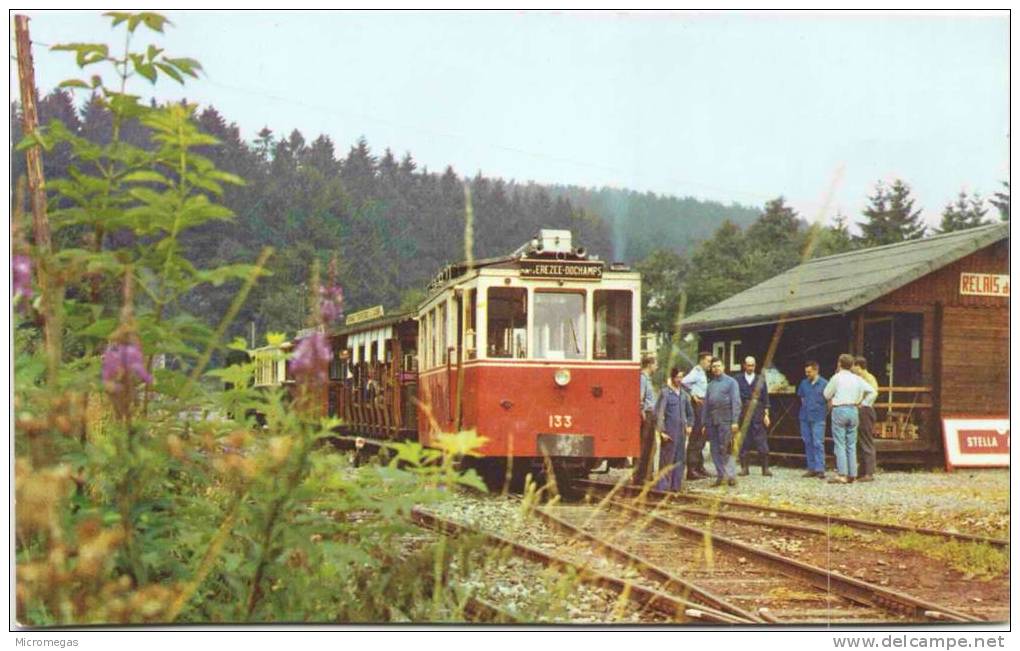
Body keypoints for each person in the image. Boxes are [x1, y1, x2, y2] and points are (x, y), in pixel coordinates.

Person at [823, 353, 878, 484]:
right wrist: (864, 403)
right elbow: (873, 391)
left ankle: (842, 474)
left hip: (840, 409)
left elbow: (826, 394)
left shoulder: (837, 378)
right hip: (854, 410)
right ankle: (852, 473)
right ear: (851, 365)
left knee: (840, 443)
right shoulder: (857, 379)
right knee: (851, 443)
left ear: (839, 364)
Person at [700, 357, 742, 487]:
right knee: (714, 449)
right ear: (711, 369)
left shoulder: (731, 382)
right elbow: (706, 405)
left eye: (718, 366)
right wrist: (704, 423)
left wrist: (734, 421)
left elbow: (736, 402)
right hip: (713, 421)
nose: (716, 368)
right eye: (714, 367)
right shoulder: (710, 385)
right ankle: (720, 476)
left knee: (726, 449)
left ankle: (730, 476)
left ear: (723, 367)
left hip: (726, 420)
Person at [655, 366, 694, 492]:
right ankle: (662, 488)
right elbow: (659, 414)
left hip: (682, 433)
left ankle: (676, 487)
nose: (679, 380)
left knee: (680, 460)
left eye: (681, 377)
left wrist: (689, 426)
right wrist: (662, 432)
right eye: (677, 377)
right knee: (666, 460)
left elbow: (690, 413)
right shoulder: (665, 393)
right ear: (672, 378)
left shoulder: (684, 394)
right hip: (669, 432)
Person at [736, 356, 772, 477]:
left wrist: (766, 414)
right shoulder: (738, 379)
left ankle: (765, 468)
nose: (751, 367)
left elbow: (766, 398)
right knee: (744, 441)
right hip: (743, 412)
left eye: (753, 365)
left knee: (761, 440)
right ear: (744, 365)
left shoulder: (760, 379)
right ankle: (744, 468)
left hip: (758, 412)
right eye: (748, 365)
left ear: (755, 366)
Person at [681, 352, 712, 480]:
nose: (710, 364)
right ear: (702, 361)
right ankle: (691, 470)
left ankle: (699, 467)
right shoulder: (696, 371)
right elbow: (683, 382)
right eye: (708, 361)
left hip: (703, 404)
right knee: (696, 436)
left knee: (702, 437)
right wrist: (693, 394)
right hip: (698, 405)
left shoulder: (702, 373)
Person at [797, 361, 828, 478]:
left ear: (816, 370)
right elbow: (802, 398)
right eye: (806, 372)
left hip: (819, 417)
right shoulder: (804, 383)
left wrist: (823, 412)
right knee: (808, 442)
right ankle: (811, 468)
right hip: (804, 417)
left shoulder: (825, 383)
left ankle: (820, 468)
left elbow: (829, 400)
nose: (807, 374)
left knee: (818, 442)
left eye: (809, 372)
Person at [852, 356, 879, 482]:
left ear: (859, 366)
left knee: (866, 440)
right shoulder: (859, 378)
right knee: (860, 441)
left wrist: (863, 403)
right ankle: (862, 470)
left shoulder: (869, 378)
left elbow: (874, 393)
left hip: (865, 410)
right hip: (859, 410)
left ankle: (869, 472)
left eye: (854, 366)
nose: (852, 369)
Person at [633, 355, 659, 485]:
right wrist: (642, 413)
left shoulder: (647, 379)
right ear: (649, 365)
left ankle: (646, 475)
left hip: (650, 414)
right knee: (644, 446)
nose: (657, 367)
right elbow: (639, 397)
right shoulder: (642, 379)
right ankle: (639, 476)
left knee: (651, 446)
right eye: (655, 364)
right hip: (646, 415)